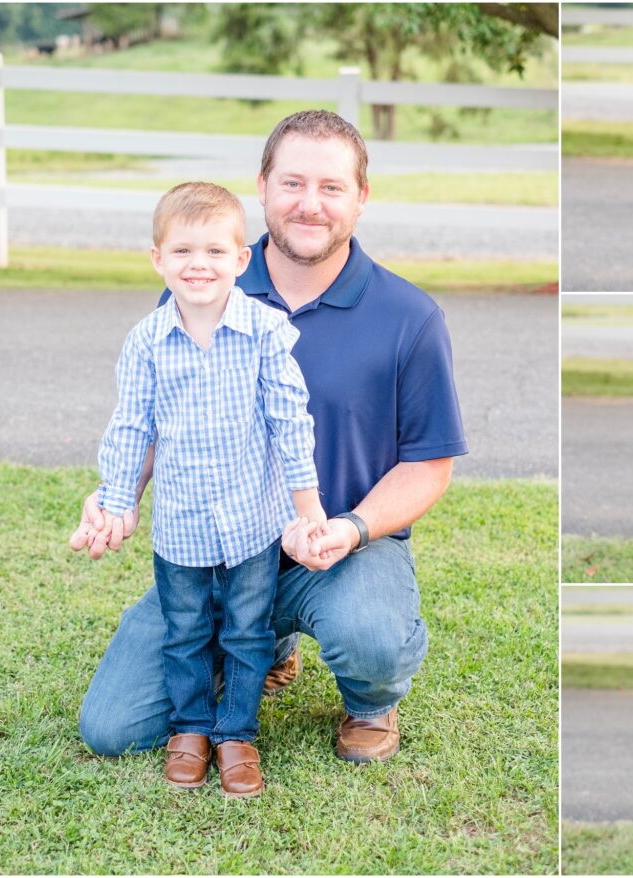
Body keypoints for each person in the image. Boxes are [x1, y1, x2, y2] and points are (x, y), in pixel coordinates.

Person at [72, 110, 468, 765]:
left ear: (361, 198)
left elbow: (429, 466)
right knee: (112, 726)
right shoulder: (202, 285)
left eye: (331, 187)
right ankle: (264, 646)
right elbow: (150, 418)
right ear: (261, 187)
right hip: (217, 549)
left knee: (368, 634)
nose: (309, 204)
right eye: (292, 183)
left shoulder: (409, 317)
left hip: (337, 550)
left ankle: (371, 703)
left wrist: (351, 527)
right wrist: (118, 497)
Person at [76, 182, 327, 797]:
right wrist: (116, 503)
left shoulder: (266, 333)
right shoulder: (146, 342)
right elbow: (132, 426)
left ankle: (236, 732)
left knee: (247, 631)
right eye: (183, 251)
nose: (199, 265)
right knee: (185, 631)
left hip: (251, 524)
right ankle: (190, 728)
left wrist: (308, 509)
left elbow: (289, 422)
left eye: (216, 251)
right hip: (181, 528)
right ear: (158, 259)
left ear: (242, 260)